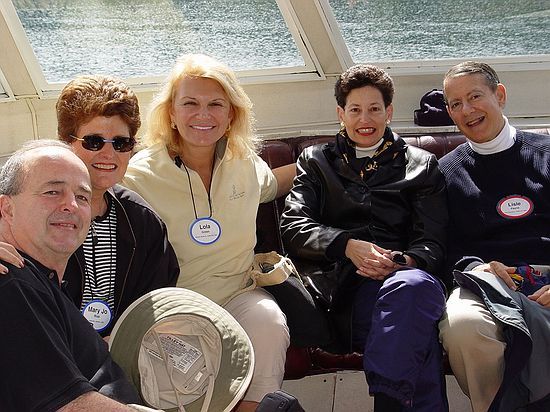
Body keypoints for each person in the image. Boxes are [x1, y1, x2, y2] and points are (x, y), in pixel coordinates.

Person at [122, 54, 294, 412]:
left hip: (238, 294)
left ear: (231, 115)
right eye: (190, 103)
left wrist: (329, 158)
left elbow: (273, 185)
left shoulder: (245, 162)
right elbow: (89, 197)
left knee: (270, 322)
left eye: (216, 104)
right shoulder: (138, 175)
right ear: (171, 113)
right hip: (175, 304)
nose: (204, 115)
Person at [280, 64, 449, 411]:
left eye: (374, 109)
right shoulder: (316, 161)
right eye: (355, 110)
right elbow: (293, 226)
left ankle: (390, 397)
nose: (365, 119)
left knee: (412, 288)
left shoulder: (422, 165)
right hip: (339, 291)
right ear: (341, 114)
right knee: (415, 328)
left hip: (402, 280)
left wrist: (402, 261)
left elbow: (432, 241)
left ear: (389, 111)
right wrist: (347, 245)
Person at [0, 76, 180, 337]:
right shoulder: (21, 204)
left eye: (121, 143)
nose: (108, 154)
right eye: (94, 141)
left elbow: (158, 304)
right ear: (66, 142)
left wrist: (117, 344)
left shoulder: (143, 222)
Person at [438, 61, 550, 412]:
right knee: (462, 325)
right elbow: (443, 246)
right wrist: (477, 267)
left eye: (475, 97)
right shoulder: (445, 173)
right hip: (487, 282)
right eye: (456, 104)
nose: (467, 110)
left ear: (499, 95)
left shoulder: (546, 154)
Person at [0, 140, 145, 411]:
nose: (71, 205)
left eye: (82, 197)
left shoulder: (42, 281)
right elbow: (69, 406)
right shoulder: (11, 281)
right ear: (7, 208)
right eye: (53, 192)